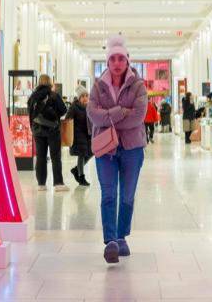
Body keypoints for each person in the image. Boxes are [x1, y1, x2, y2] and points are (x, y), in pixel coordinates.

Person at [87, 35, 147, 264]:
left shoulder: (138, 86)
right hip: (105, 149)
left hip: (132, 148)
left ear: (127, 60)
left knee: (127, 197)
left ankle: (122, 237)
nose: (117, 63)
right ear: (107, 61)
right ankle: (111, 241)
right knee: (109, 194)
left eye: (121, 58)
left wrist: (108, 117)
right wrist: (121, 111)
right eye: (113, 59)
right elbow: (93, 115)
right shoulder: (97, 86)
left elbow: (138, 116)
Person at [28, 74, 69, 192]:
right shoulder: (54, 95)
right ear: (50, 83)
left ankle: (41, 184)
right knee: (55, 156)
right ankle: (58, 183)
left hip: (37, 131)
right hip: (53, 130)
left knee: (40, 156)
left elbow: (30, 113)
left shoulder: (33, 97)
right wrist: (55, 115)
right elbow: (64, 110)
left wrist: (33, 127)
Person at [66, 85, 93, 186]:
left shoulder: (89, 106)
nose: (85, 98)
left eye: (86, 95)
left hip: (88, 134)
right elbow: (68, 120)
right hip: (78, 135)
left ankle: (76, 170)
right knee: (82, 155)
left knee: (92, 151)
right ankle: (81, 177)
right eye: (82, 96)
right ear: (79, 98)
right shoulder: (74, 107)